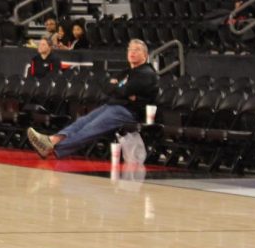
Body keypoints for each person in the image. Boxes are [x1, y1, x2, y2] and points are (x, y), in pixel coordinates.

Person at [26, 38, 158, 159]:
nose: (132, 52)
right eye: (130, 49)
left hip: (129, 112)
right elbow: (106, 86)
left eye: (137, 50)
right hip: (114, 106)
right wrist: (121, 92)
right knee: (82, 122)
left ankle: (53, 150)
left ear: (145, 55)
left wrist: (117, 88)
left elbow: (123, 90)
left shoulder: (146, 73)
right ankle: (51, 140)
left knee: (90, 128)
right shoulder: (127, 72)